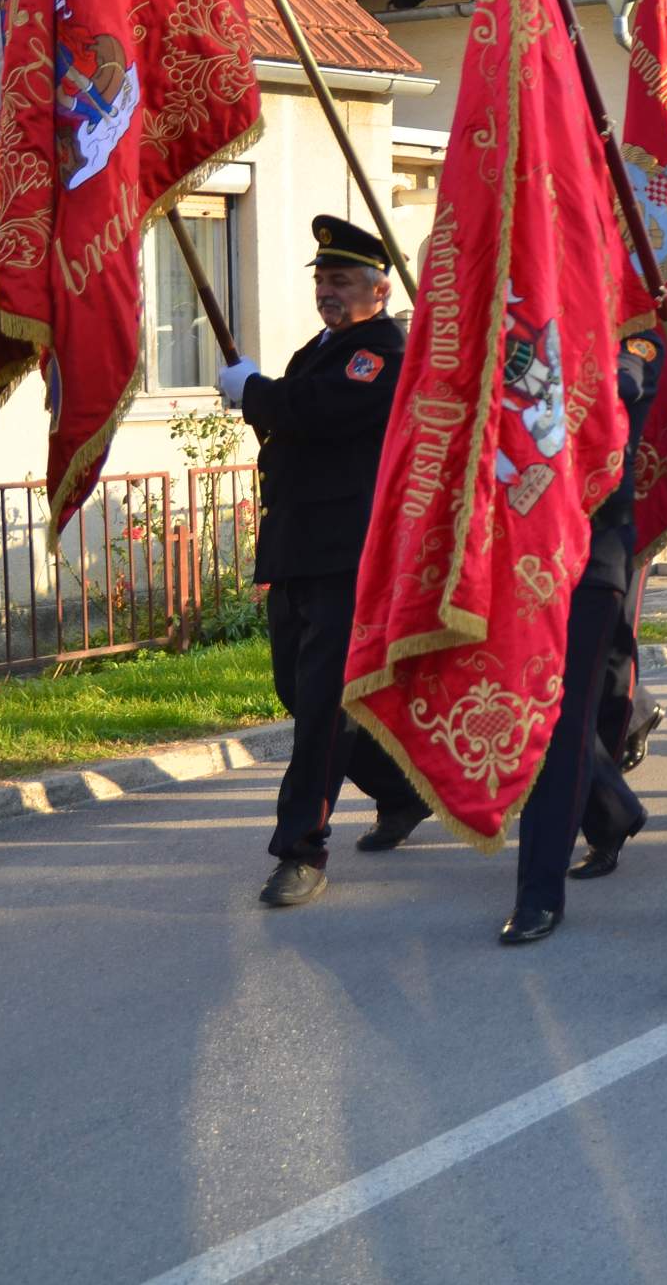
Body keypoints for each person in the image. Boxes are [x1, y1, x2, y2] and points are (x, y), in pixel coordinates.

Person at [219, 216, 428, 909]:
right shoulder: (323, 347)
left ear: (379, 289)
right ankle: (402, 790)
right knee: (298, 692)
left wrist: (255, 390)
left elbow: (317, 411)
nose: (326, 292)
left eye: (341, 281)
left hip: (347, 556)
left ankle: (300, 849)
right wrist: (258, 397)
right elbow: (292, 424)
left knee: (321, 710)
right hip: (300, 548)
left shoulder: (384, 351)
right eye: (321, 281)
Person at [500, 332, 661, 944]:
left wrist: (519, 376)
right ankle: (612, 810)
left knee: (559, 721)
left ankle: (537, 895)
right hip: (517, 548)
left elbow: (618, 387)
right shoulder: (525, 328)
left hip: (590, 555)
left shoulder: (632, 337)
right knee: (529, 710)